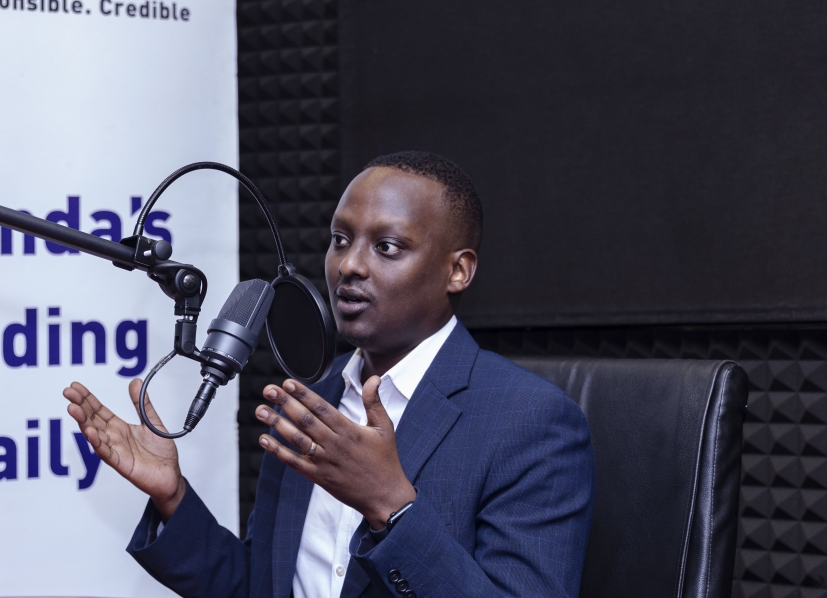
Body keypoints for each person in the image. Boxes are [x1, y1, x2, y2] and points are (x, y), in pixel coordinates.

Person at [63, 151, 595, 598]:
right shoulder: (308, 404)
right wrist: (173, 498)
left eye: (387, 247)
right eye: (340, 239)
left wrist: (392, 507)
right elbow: (262, 586)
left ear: (457, 270)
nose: (349, 266)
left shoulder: (531, 423)